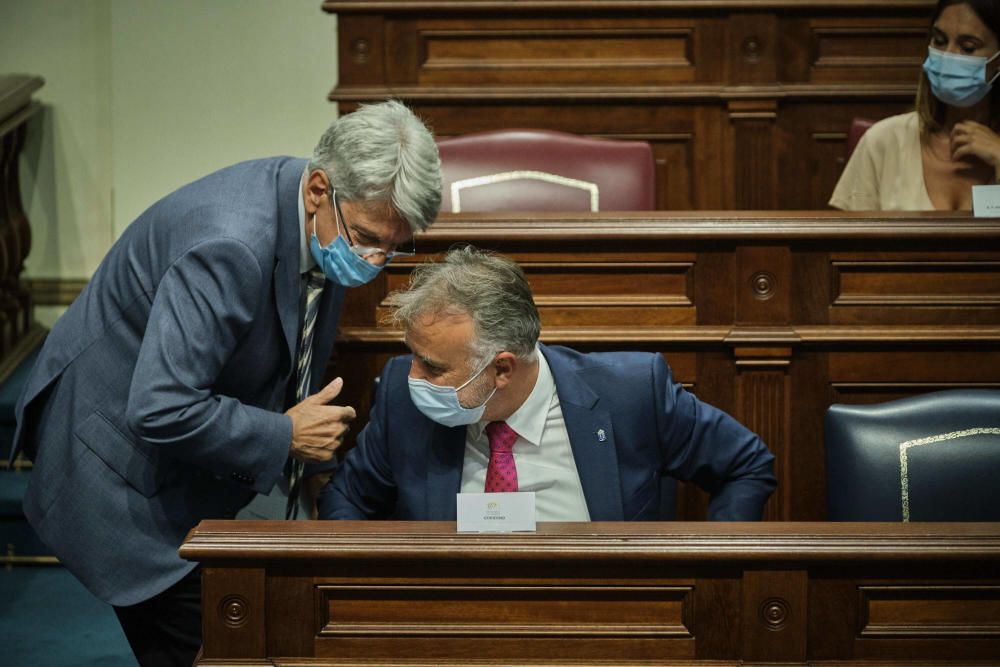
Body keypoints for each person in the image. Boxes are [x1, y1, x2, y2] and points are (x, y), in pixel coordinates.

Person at [8, 100, 442, 667]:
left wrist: (315, 477)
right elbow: (159, 408)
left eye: (394, 245)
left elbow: (297, 347)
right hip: (115, 462)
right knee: (220, 648)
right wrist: (286, 435)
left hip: (188, 463)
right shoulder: (230, 244)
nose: (376, 260)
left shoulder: (327, 218)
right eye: (367, 238)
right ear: (318, 190)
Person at [318, 246, 776, 523]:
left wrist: (715, 568)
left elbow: (747, 465)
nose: (412, 375)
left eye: (434, 367)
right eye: (414, 355)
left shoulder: (631, 392)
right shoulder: (402, 394)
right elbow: (347, 498)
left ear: (502, 369)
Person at [830, 0, 1000, 211]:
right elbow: (842, 241)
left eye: (967, 48)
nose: (947, 56)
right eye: (939, 41)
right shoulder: (883, 140)